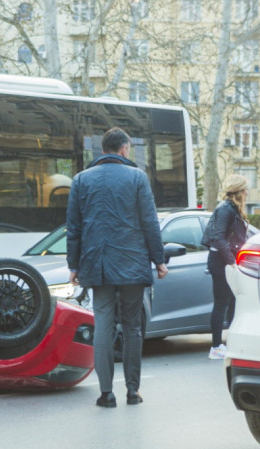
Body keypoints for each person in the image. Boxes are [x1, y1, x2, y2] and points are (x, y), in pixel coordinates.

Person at [66, 127, 168, 408]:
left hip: (96, 265)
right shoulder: (136, 177)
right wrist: (159, 260)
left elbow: (74, 227)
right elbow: (149, 222)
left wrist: (73, 265)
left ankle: (105, 393)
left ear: (103, 150)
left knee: (103, 326)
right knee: (133, 327)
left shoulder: (80, 180)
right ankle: (132, 391)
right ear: (124, 150)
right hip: (132, 263)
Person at [203, 174, 249, 361]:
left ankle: (230, 343)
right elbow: (219, 238)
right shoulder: (226, 209)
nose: (247, 192)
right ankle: (215, 347)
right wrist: (231, 261)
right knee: (221, 303)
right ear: (239, 191)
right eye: (245, 188)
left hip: (226, 260)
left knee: (232, 303)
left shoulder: (233, 209)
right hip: (221, 261)